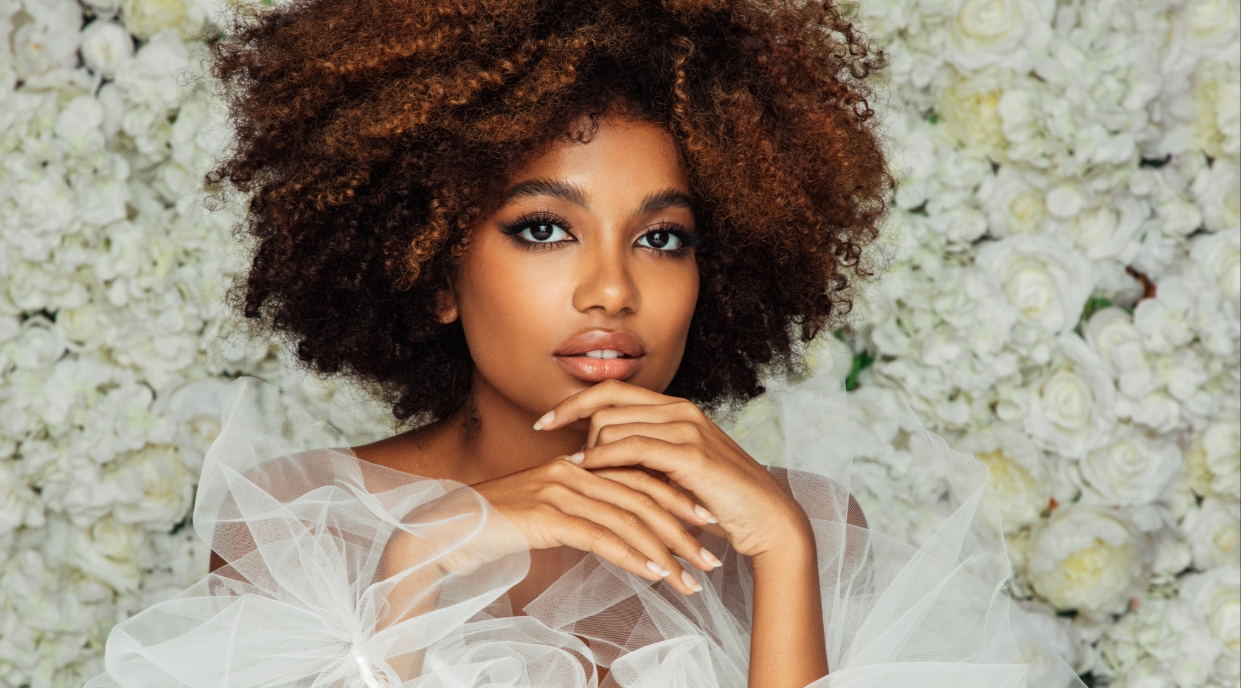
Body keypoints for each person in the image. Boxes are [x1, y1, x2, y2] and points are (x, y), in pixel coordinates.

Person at [85, 1, 1086, 686]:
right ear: (433, 265)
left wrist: (783, 553)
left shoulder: (802, 530)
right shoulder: (306, 525)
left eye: (661, 237)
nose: (613, 288)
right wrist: (426, 553)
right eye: (542, 228)